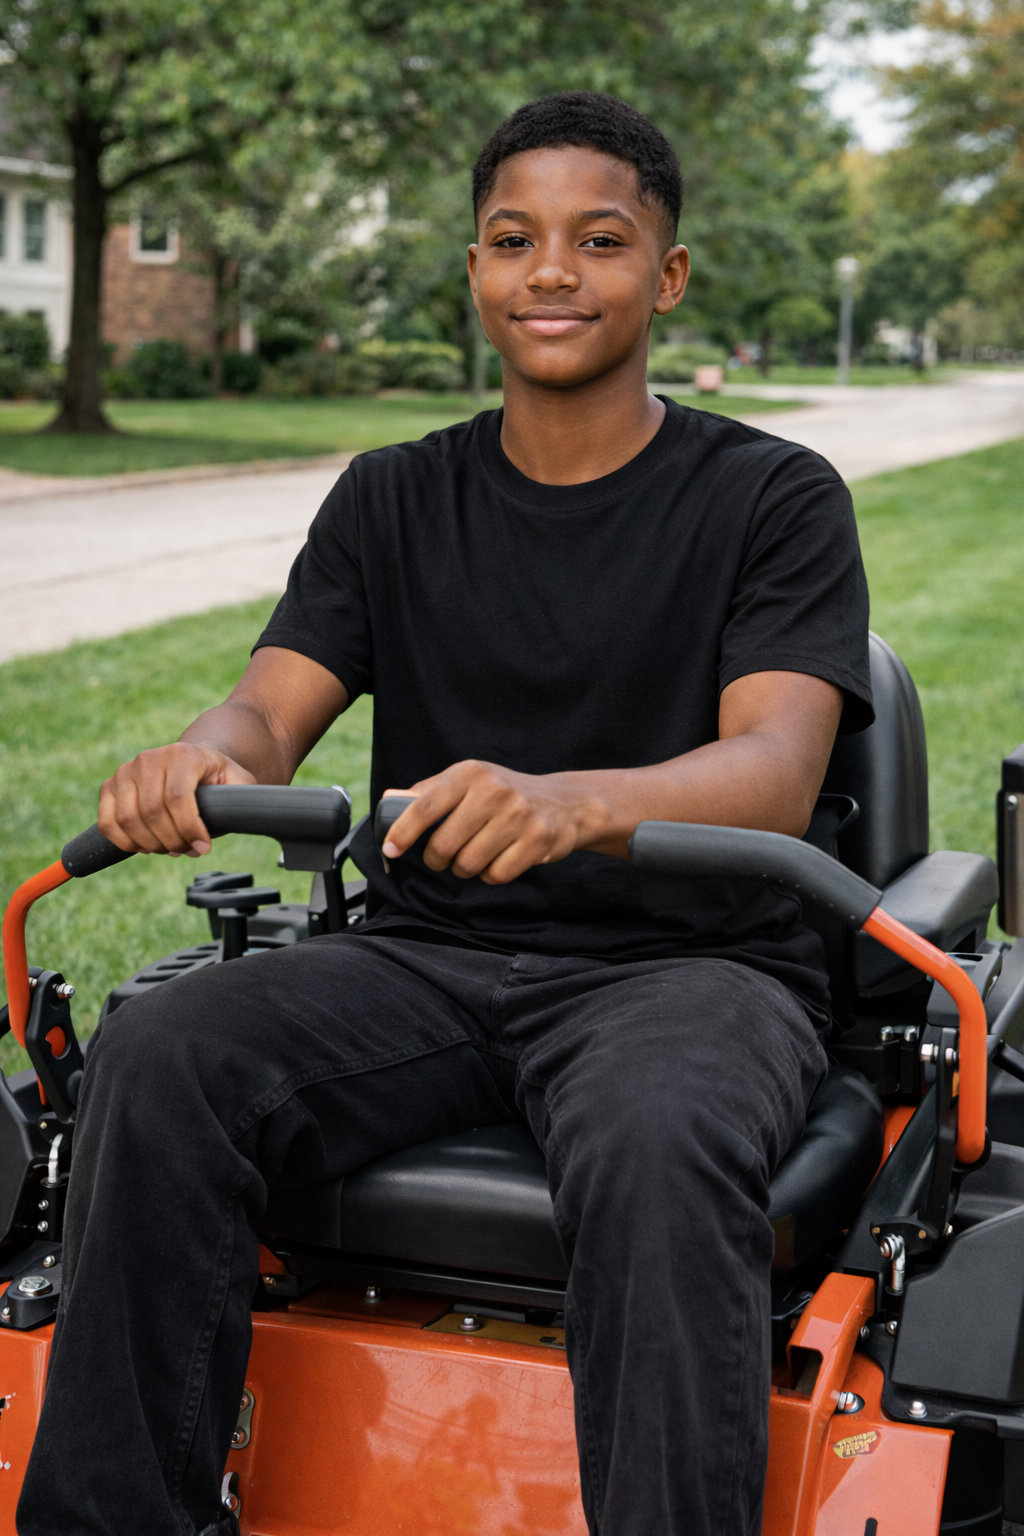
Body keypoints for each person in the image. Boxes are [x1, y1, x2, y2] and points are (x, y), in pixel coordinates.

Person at [18, 91, 872, 1536]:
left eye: (600, 240)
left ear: (667, 275)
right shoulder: (390, 498)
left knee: (658, 1138)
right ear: (474, 270)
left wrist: (570, 805)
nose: (553, 272)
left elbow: (775, 771)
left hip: (694, 970)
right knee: (161, 1053)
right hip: (424, 958)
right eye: (514, 240)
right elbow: (265, 711)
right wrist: (200, 757)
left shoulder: (770, 497)